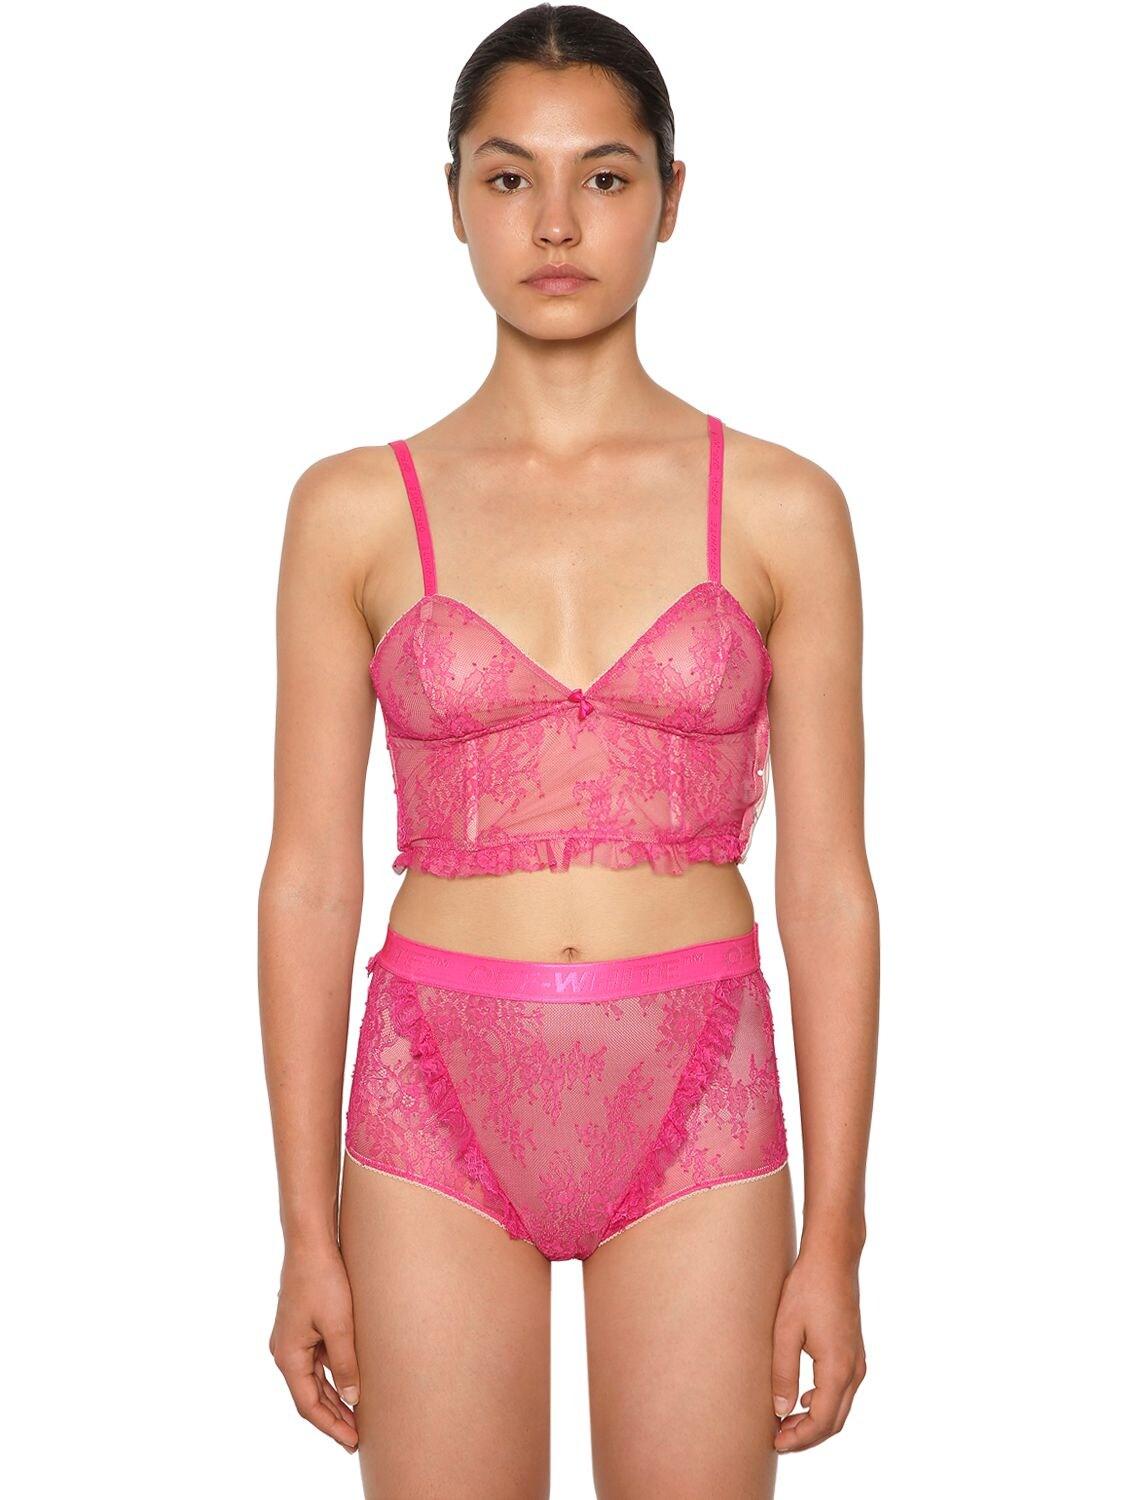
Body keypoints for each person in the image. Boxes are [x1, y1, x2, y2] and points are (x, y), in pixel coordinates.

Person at [258, 6, 878, 1495]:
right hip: (431, 1093)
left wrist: (838, 1239)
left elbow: (828, 890)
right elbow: (308, 882)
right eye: (506, 177)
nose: (553, 223)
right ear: (453, 200)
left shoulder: (783, 507)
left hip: (699, 1094)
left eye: (603, 177)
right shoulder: (352, 509)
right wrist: (301, 1233)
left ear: (671, 197)